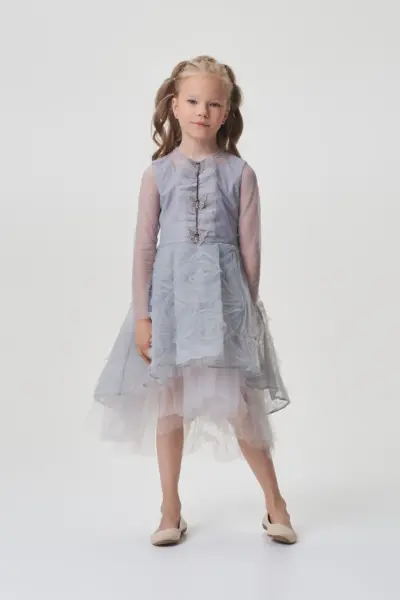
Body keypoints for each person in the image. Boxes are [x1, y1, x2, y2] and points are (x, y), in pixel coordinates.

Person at [90, 55, 297, 546]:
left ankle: (276, 502)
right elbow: (144, 248)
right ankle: (170, 509)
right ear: (174, 106)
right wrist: (143, 317)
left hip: (223, 308)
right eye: (193, 101)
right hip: (171, 305)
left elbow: (251, 253)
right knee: (169, 404)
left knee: (241, 406)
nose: (203, 111)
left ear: (227, 113)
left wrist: (246, 315)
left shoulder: (240, 173)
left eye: (214, 104)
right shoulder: (157, 174)